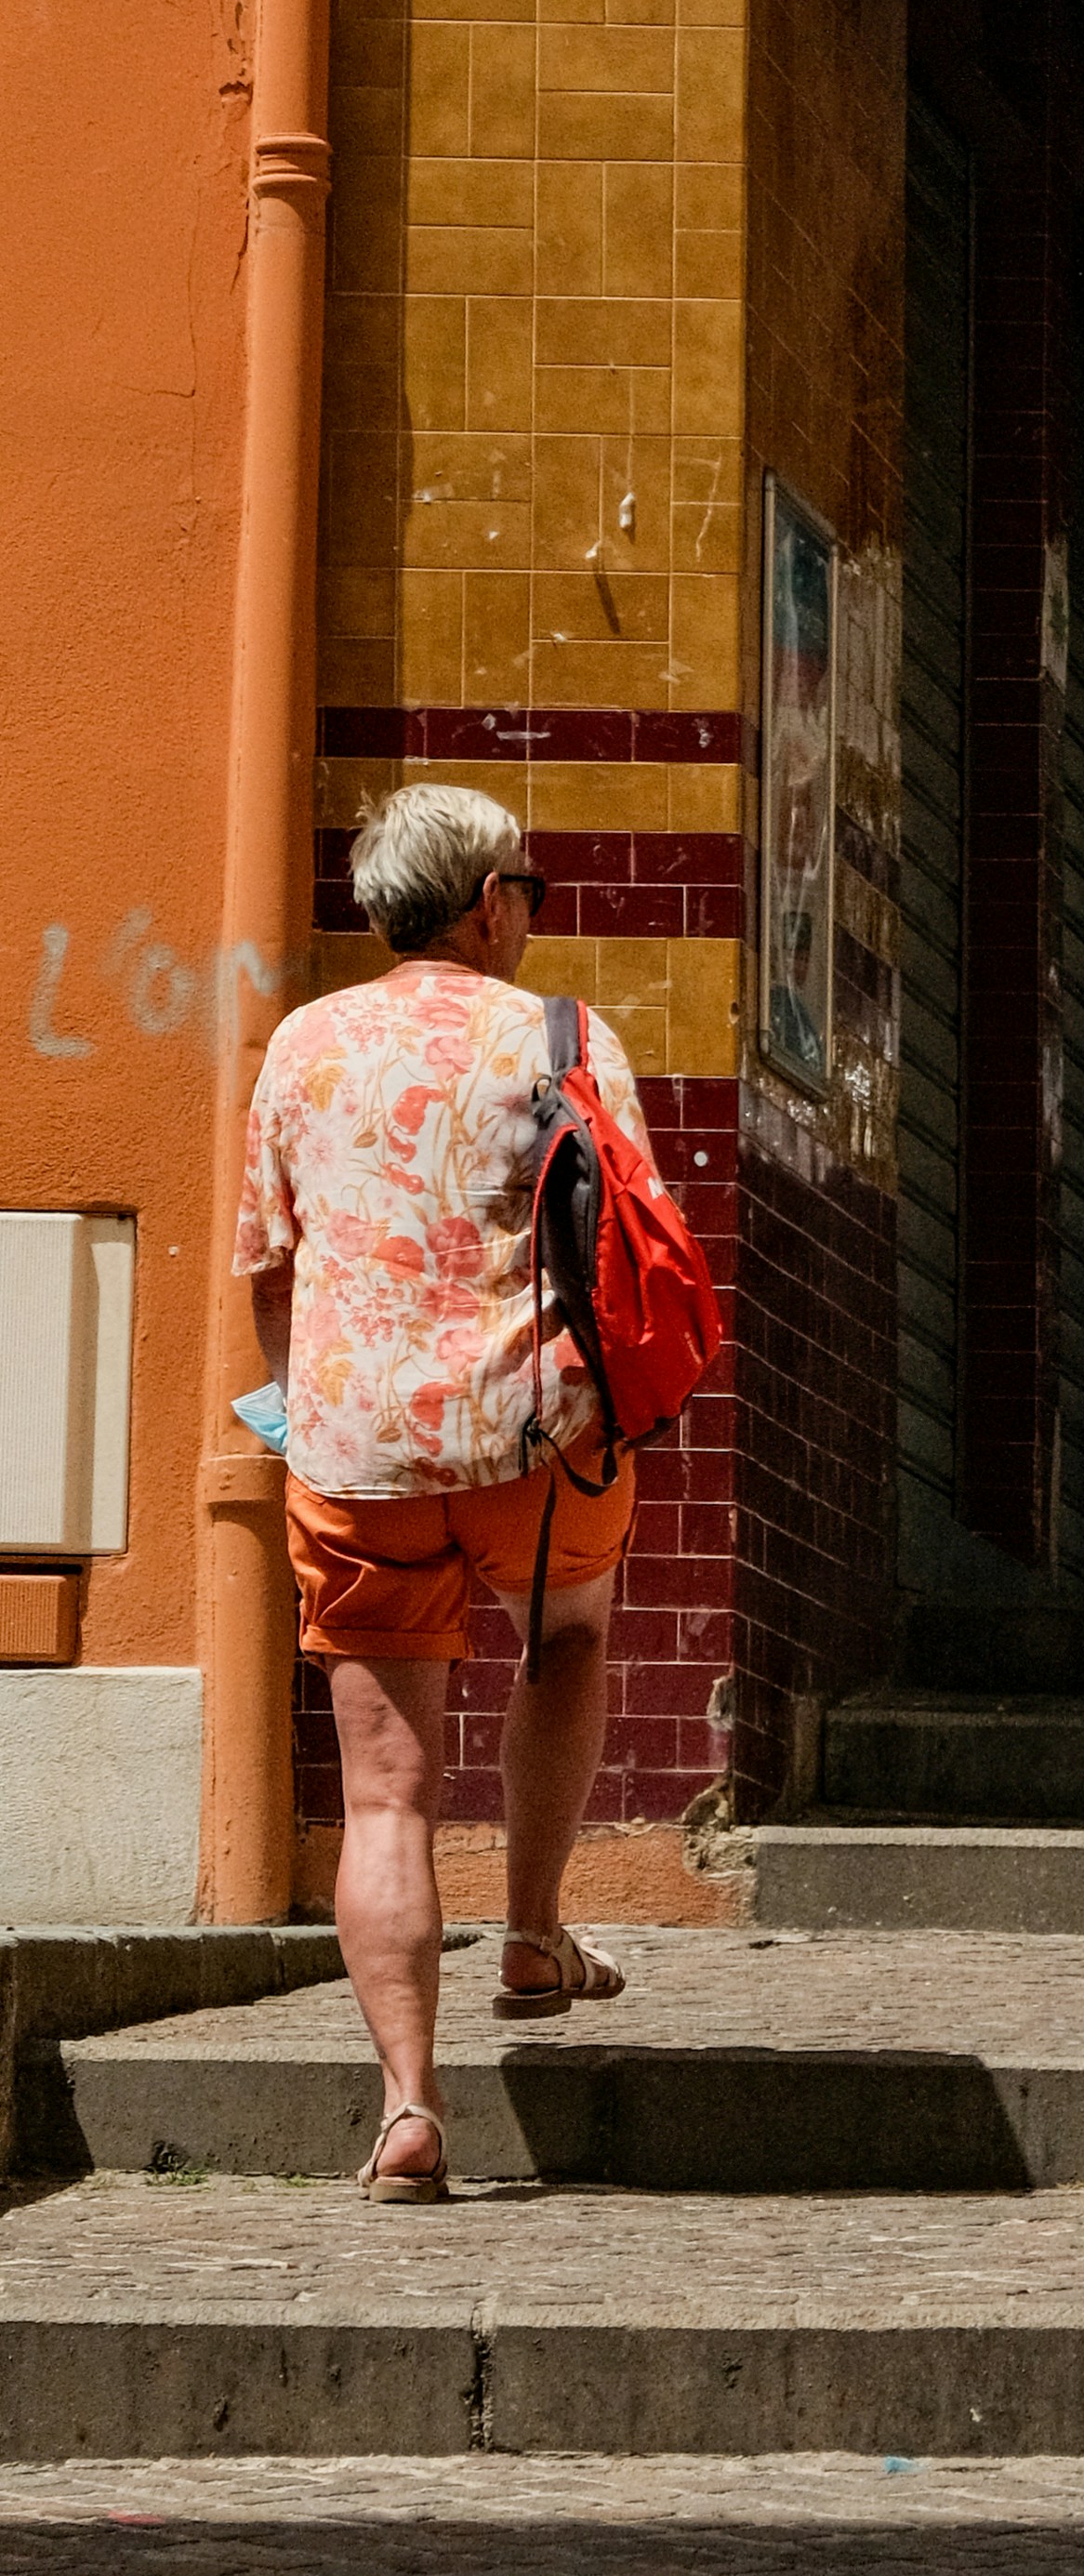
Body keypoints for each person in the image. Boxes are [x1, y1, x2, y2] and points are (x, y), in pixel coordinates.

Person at [237, 782, 683, 2203]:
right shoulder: (556, 1034)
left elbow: (268, 1263)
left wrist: (315, 1415)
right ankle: (536, 1932)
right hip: (532, 1445)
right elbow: (635, 1221)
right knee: (565, 1644)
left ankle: (408, 2112)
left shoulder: (302, 1043)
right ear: (491, 903)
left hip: (357, 1459)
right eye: (531, 890)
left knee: (385, 1796)